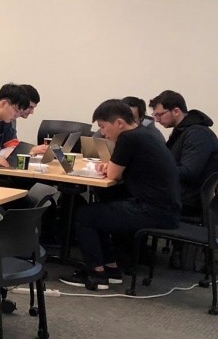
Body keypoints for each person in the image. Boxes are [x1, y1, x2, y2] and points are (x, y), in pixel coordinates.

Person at [64, 99, 180, 291]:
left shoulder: (128, 138)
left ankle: (97, 275)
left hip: (154, 211)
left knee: (84, 216)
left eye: (103, 126)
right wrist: (109, 167)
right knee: (100, 209)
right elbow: (116, 170)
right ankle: (111, 270)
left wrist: (109, 168)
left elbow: (113, 174)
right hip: (167, 209)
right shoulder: (145, 133)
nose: (102, 132)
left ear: (119, 123)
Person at [149, 90, 218, 215]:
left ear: (176, 111)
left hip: (186, 202)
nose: (157, 120)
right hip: (178, 195)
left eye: (160, 115)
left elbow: (188, 172)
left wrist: (155, 169)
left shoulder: (197, 134)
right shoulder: (183, 132)